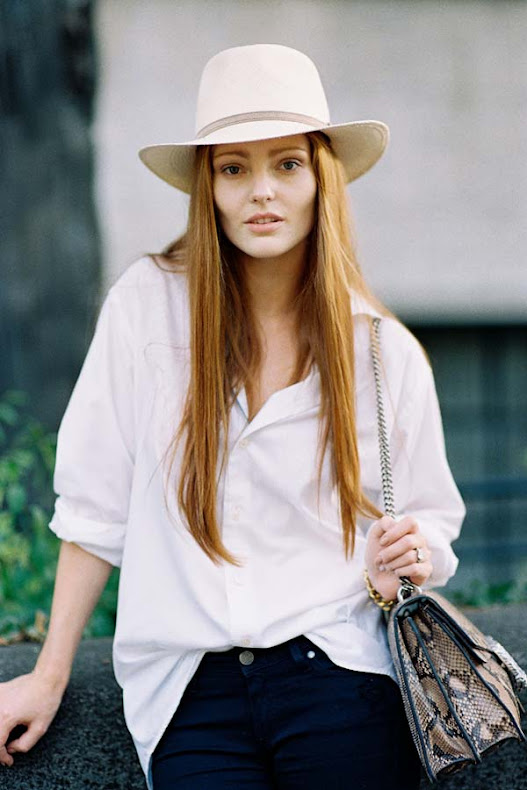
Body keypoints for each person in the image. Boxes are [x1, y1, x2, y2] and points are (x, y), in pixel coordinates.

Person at [0, 44, 465, 789]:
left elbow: (432, 522)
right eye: (234, 168)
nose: (262, 192)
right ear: (208, 187)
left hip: (340, 668)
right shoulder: (146, 307)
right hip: (191, 689)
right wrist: (47, 676)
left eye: (287, 164)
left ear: (321, 178)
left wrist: (403, 559)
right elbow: (93, 509)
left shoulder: (380, 349)